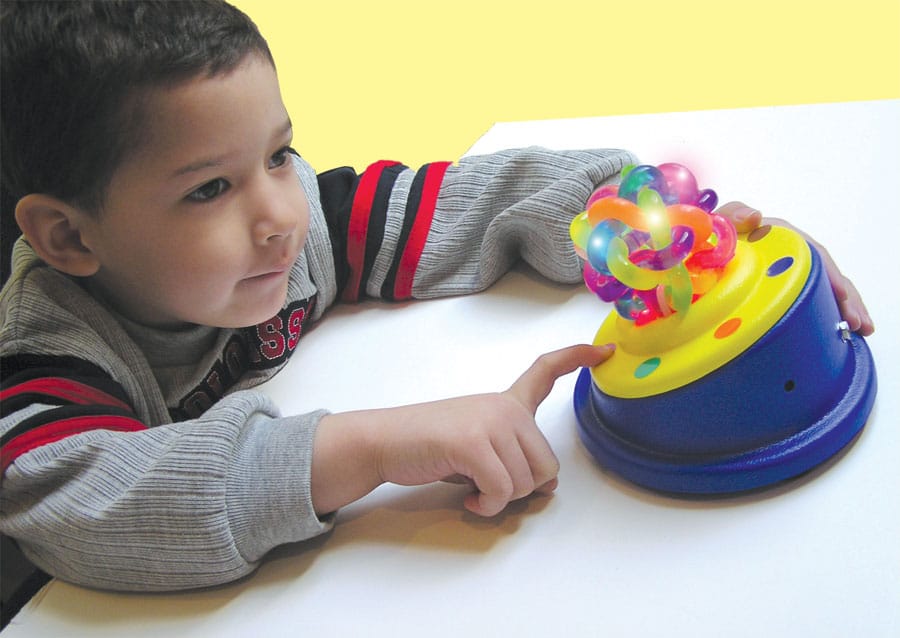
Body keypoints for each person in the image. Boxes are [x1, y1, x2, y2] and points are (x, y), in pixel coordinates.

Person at [0, 0, 873, 608]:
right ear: (72, 239)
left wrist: (669, 233)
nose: (278, 214)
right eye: (208, 191)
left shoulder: (291, 226)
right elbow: (79, 506)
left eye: (278, 152)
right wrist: (375, 442)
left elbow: (469, 201)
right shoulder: (47, 353)